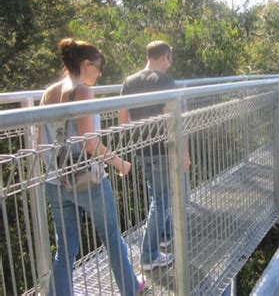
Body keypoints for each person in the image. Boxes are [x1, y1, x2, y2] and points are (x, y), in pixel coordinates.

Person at [40, 38, 144, 295]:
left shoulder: (48, 92)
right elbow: (90, 144)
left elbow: (41, 142)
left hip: (55, 181)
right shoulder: (84, 91)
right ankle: (131, 288)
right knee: (111, 236)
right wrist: (120, 163)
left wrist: (57, 171)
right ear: (86, 64)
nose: (100, 72)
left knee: (65, 250)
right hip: (87, 181)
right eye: (99, 67)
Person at [118, 40, 189, 271]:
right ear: (164, 56)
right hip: (162, 148)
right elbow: (175, 121)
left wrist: (139, 134)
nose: (170, 64)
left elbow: (122, 119)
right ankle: (148, 255)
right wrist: (184, 153)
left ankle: (165, 236)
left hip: (142, 148)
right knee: (161, 200)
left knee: (157, 195)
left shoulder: (129, 81)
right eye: (170, 59)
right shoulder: (166, 82)